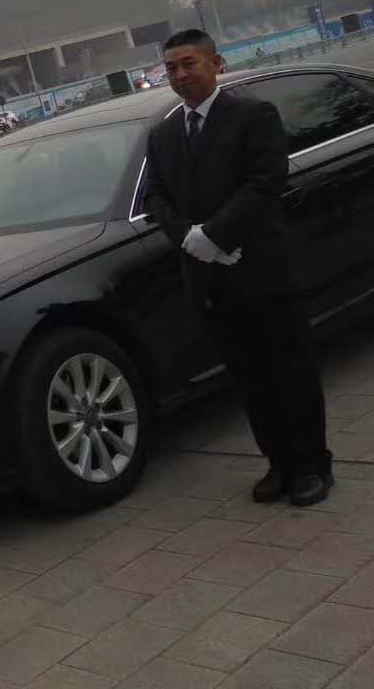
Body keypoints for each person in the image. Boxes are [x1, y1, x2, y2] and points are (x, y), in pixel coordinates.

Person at [144, 28, 332, 506]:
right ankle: (278, 463)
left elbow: (266, 182)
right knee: (250, 379)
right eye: (171, 68)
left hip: (263, 272)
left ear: (216, 64)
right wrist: (189, 238)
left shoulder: (252, 116)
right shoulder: (163, 134)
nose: (180, 75)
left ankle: (311, 466)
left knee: (290, 373)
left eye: (189, 63)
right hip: (211, 282)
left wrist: (215, 235)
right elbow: (155, 197)